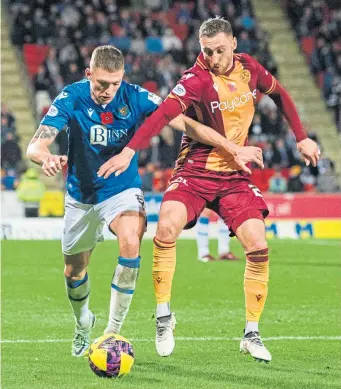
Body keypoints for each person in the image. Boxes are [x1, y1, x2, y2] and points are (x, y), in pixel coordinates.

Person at [101, 18, 321, 362]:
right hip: (195, 169)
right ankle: (163, 317)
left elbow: (280, 94)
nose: (214, 57)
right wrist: (130, 150)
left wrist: (302, 136)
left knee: (258, 242)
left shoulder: (250, 68)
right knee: (166, 226)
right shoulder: (195, 80)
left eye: (220, 50)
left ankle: (251, 333)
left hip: (235, 175)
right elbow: (161, 116)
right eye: (207, 51)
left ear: (233, 43)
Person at [26, 45, 263, 358]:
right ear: (89, 75)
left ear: (122, 77)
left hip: (121, 191)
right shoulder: (72, 97)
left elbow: (187, 124)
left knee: (130, 243)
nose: (108, 90)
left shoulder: (136, 97)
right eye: (100, 83)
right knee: (73, 271)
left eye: (114, 83)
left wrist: (231, 148)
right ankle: (83, 323)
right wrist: (46, 159)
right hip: (81, 196)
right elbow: (35, 145)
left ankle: (112, 332)